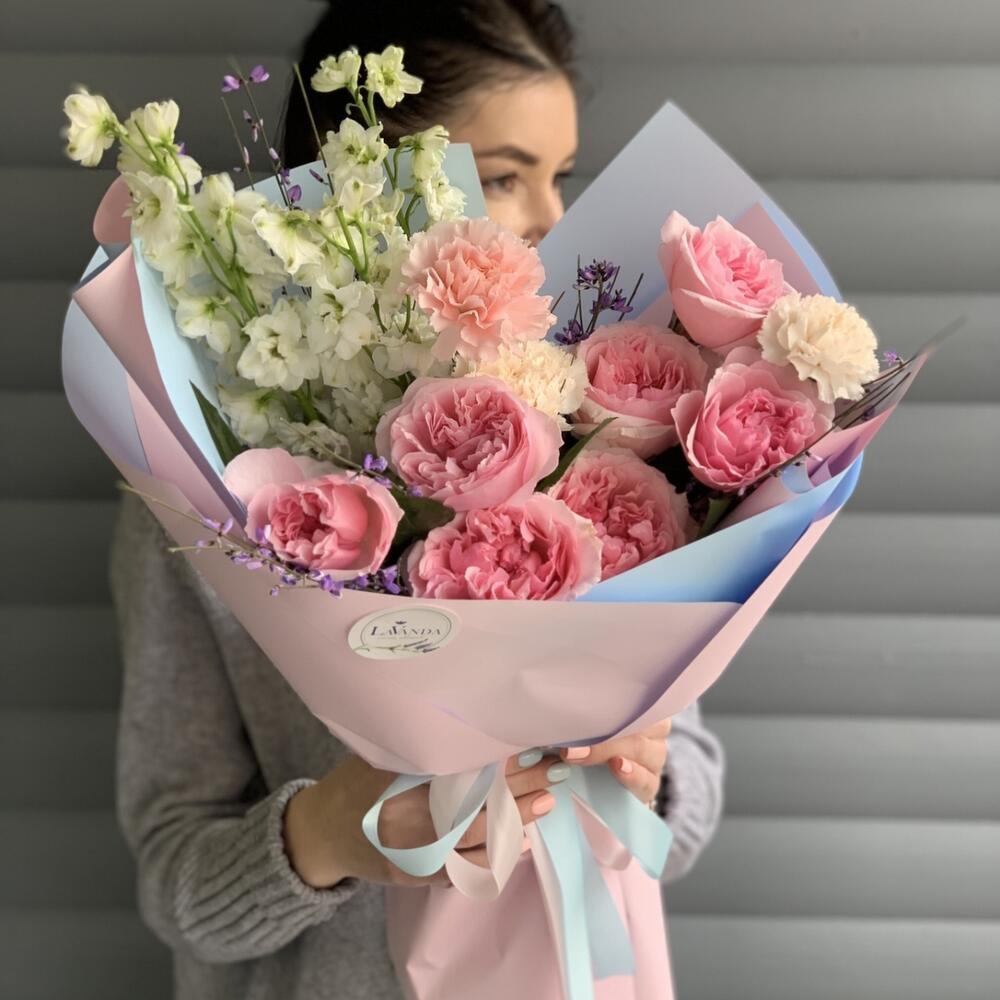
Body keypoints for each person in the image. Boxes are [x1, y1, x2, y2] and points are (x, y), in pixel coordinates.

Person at [112, 2, 726, 997]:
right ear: (360, 182)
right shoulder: (209, 498)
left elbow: (683, 824)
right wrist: (329, 832)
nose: (552, 219)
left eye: (561, 175)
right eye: (504, 177)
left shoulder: (614, 435)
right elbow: (175, 889)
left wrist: (646, 771)